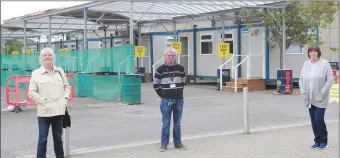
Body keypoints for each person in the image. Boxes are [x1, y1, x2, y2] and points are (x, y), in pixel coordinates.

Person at [28, 47, 71, 158]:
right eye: (44, 55)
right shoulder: (36, 73)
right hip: (44, 112)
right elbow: (31, 92)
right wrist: (43, 100)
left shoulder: (60, 71)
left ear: (53, 58)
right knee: (42, 139)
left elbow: (67, 87)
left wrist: (65, 99)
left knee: (58, 138)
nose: (47, 57)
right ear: (41, 58)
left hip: (58, 111)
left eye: (50, 55)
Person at [299, 45, 333, 150]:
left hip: (320, 98)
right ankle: (317, 141)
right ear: (308, 54)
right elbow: (301, 79)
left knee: (319, 119)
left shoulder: (325, 64)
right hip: (309, 97)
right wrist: (303, 92)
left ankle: (324, 141)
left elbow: (329, 80)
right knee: (313, 120)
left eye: (314, 52)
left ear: (318, 52)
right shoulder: (306, 64)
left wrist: (322, 93)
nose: (312, 54)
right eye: (310, 52)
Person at [153, 47, 187, 152]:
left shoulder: (181, 69)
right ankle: (164, 144)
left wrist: (177, 91)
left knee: (177, 123)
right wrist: (163, 95)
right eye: (169, 55)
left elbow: (183, 82)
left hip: (179, 100)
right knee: (166, 123)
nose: (171, 57)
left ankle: (178, 143)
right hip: (166, 101)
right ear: (165, 57)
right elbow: (155, 85)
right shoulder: (160, 70)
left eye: (173, 55)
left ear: (175, 56)